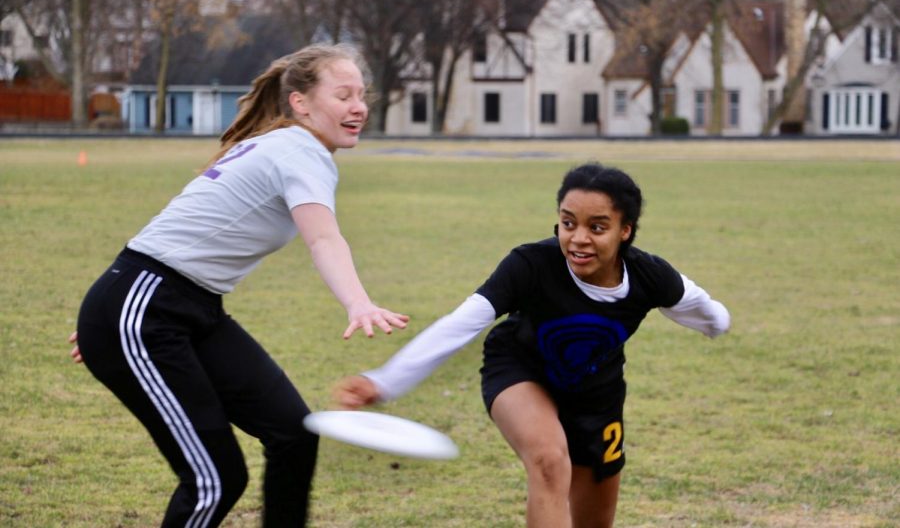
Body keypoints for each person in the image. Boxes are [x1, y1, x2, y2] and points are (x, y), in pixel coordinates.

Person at [68, 43, 408, 527]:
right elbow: (323, 238)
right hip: (148, 309)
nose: (358, 107)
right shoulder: (301, 150)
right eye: (343, 95)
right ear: (301, 102)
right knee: (216, 479)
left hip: (170, 307)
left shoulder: (282, 144)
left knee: (293, 432)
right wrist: (358, 302)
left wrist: (112, 319)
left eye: (361, 96)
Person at [336, 162, 730, 528]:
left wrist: (717, 325)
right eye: (568, 223)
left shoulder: (651, 276)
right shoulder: (530, 264)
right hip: (520, 371)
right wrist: (384, 382)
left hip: (597, 394)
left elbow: (705, 310)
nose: (578, 239)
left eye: (597, 227)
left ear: (624, 230)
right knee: (548, 461)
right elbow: (460, 325)